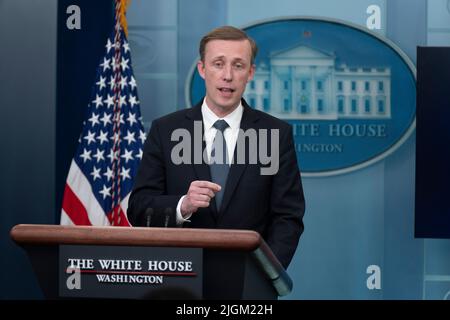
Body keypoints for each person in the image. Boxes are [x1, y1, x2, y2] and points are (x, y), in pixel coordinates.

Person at [127, 26, 305, 271]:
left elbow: (288, 218)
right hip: (179, 280)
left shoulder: (275, 134)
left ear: (250, 72)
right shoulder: (165, 131)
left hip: (248, 284)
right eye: (218, 64)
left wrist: (266, 273)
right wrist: (183, 205)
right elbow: (139, 210)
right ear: (202, 69)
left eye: (238, 65)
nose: (228, 75)